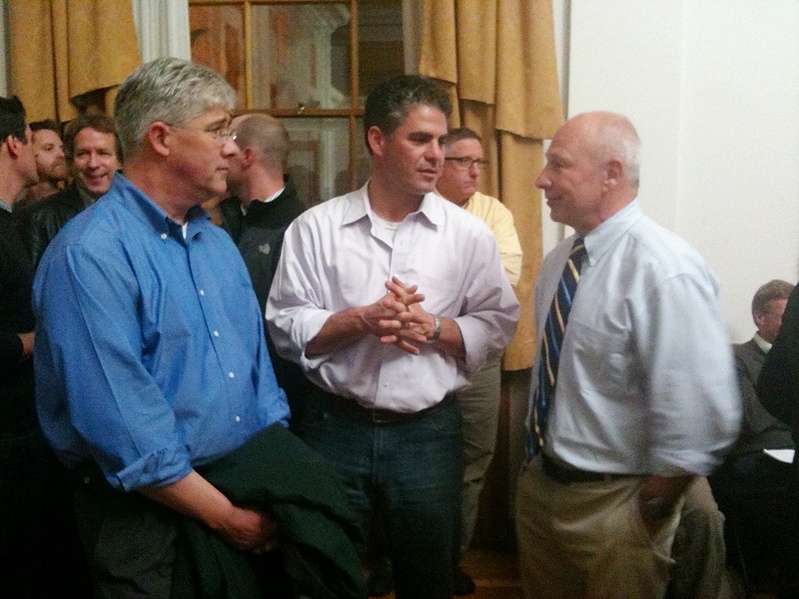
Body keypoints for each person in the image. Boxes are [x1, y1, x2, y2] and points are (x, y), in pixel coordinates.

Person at [33, 58, 291, 598]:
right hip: (143, 522)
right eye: (218, 130)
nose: (232, 147)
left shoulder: (217, 243)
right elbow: (124, 429)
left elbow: (257, 375)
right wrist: (226, 517)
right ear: (161, 139)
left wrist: (273, 480)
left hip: (241, 495)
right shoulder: (89, 255)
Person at [266, 74, 520, 599]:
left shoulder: (469, 236)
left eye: (441, 142)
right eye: (420, 140)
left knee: (429, 579)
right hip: (334, 427)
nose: (436, 155)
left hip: (428, 434)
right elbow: (285, 325)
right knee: (325, 575)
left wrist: (433, 327)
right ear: (377, 141)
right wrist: (361, 320)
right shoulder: (314, 229)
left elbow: (497, 324)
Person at [514, 111, 740, 599]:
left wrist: (647, 513)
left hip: (617, 507)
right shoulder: (561, 262)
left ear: (611, 173)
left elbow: (703, 415)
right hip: (543, 491)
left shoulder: (664, 269)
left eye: (558, 164)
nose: (542, 179)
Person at [436, 126, 522, 593]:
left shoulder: (495, 213)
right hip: (421, 351)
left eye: (480, 163)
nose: (474, 171)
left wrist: (443, 289)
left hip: (480, 356)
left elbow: (506, 278)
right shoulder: (415, 208)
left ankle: (452, 559)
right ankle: (398, 558)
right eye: (463, 161)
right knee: (412, 459)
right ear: (439, 164)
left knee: (472, 462)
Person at [222, 114, 309, 423]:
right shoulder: (225, 218)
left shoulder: (301, 228)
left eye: (226, 141)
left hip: (281, 403)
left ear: (247, 157)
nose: (219, 151)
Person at [714, 279, 799, 596]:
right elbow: (753, 418)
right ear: (759, 318)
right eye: (783, 316)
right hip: (757, 453)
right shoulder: (736, 357)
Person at [16, 113, 121, 266]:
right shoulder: (38, 219)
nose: (93, 164)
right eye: (82, 154)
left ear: (120, 161)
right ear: (70, 162)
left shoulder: (140, 211)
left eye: (103, 153)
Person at [16, 119, 67, 208]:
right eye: (49, 148)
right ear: (28, 153)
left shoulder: (77, 206)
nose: (62, 155)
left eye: (62, 149)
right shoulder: (15, 210)